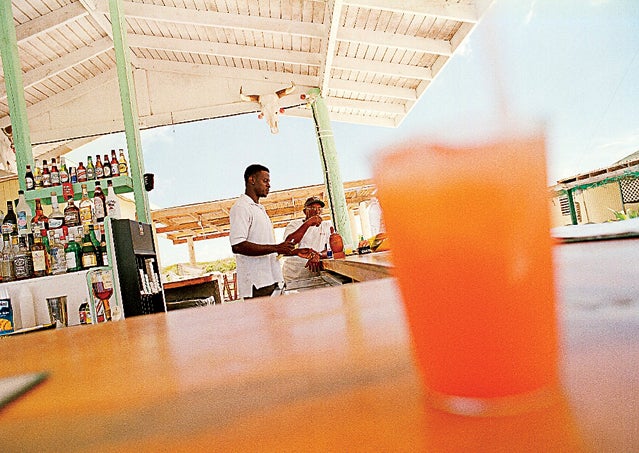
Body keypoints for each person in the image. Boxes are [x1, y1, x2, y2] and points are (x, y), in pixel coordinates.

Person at [229, 164, 297, 299]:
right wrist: (276, 247)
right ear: (252, 180)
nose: (269, 185)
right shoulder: (241, 207)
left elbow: (265, 246)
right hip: (257, 284)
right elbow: (238, 245)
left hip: (270, 279)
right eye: (265, 181)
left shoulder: (259, 209)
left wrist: (289, 251)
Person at [281, 196, 333, 285]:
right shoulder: (294, 225)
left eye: (319, 208)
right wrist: (308, 223)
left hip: (316, 273)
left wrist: (319, 255)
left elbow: (331, 249)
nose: (317, 211)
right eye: (313, 208)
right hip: (294, 275)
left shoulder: (326, 226)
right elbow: (289, 244)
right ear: (305, 211)